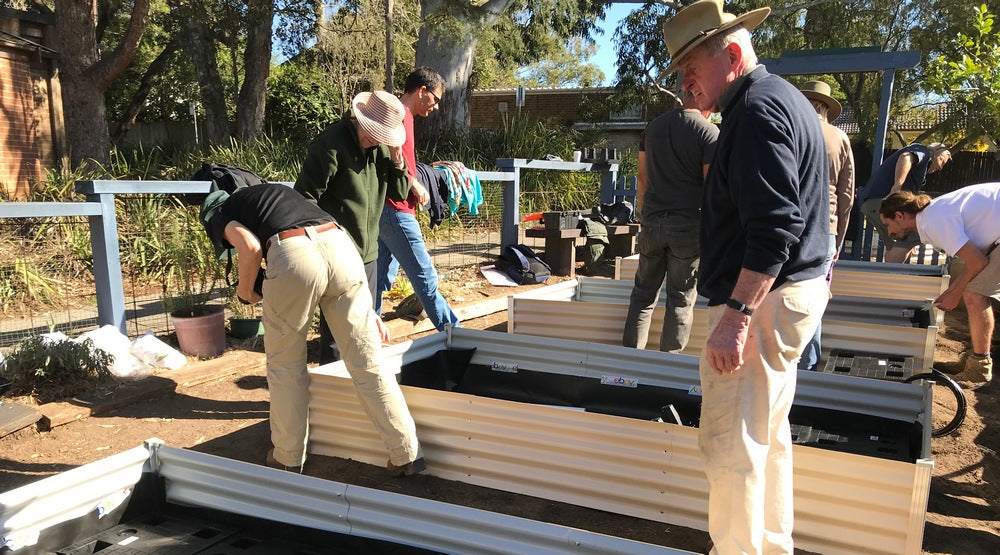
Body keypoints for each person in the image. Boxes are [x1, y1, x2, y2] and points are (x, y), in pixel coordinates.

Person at [663, 1, 831, 553]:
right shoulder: (781, 100)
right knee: (766, 438)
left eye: (691, 69)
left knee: (731, 449)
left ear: (731, 54)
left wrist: (735, 316)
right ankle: (769, 546)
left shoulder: (755, 113)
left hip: (761, 304)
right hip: (790, 297)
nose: (686, 83)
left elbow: (777, 226)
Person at [198, 184, 425, 476]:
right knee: (368, 361)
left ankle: (287, 457)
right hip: (341, 247)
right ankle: (407, 453)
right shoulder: (271, 195)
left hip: (295, 253)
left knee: (286, 366)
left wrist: (245, 293)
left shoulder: (220, 211)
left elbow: (250, 248)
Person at [294, 90, 411, 362]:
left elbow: (400, 193)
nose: (377, 138)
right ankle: (333, 397)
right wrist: (322, 242)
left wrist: (397, 159)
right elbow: (304, 199)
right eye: (374, 131)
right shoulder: (330, 145)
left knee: (364, 327)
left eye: (384, 135)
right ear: (361, 119)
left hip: (369, 253)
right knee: (337, 333)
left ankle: (358, 391)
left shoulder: (382, 149)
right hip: (336, 254)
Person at [622, 90, 718, 352]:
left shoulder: (652, 128)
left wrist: (645, 216)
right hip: (687, 228)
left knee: (642, 296)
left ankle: (629, 360)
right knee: (680, 300)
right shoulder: (709, 132)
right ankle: (667, 365)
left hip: (652, 223)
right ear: (702, 96)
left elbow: (642, 179)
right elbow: (712, 188)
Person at [879, 186, 999, 388]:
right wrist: (952, 290)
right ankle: (976, 356)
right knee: (968, 287)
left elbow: (978, 262)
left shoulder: (933, 222)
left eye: (887, 224)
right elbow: (974, 259)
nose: (888, 232)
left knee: (973, 294)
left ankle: (980, 368)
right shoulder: (932, 215)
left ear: (899, 216)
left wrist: (956, 293)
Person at [375, 67, 460, 330]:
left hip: (388, 209)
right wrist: (413, 183)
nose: (435, 107)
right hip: (396, 209)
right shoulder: (398, 115)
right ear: (422, 91)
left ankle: (365, 333)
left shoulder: (406, 117)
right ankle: (454, 333)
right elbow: (389, 156)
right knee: (425, 277)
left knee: (378, 279)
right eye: (435, 99)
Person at [797, 80, 855, 371]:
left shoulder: (788, 132)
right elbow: (846, 197)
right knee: (814, 300)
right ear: (827, 109)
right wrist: (838, 241)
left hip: (786, 228)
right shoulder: (840, 138)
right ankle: (807, 366)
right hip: (824, 230)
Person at [857, 142, 951, 263]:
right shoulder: (923, 152)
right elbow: (906, 157)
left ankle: (889, 277)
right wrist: (897, 187)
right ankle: (893, 277)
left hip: (870, 204)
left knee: (898, 244)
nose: (941, 167)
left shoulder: (920, 169)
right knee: (917, 232)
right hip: (884, 201)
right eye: (942, 161)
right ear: (934, 153)